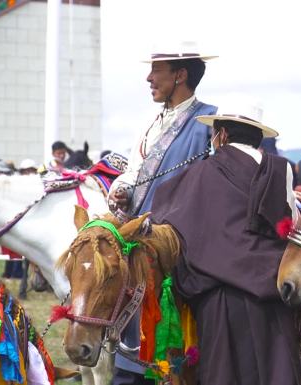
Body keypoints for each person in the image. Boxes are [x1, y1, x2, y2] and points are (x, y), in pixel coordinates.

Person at [150, 113, 301, 385]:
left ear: (221, 135)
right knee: (275, 370)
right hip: (271, 291)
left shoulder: (199, 172)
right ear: (258, 136)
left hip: (218, 296)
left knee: (223, 373)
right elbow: (291, 223)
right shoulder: (282, 169)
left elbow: (168, 220)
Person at [106, 45, 218, 385]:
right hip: (140, 249)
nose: (149, 78)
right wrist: (121, 188)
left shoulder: (209, 122)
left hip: (181, 251)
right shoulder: (150, 124)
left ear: (180, 75)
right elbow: (135, 170)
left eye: (157, 70)